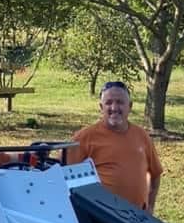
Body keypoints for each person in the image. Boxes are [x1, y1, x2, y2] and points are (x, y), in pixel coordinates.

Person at [67, 80, 163, 213]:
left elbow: (155, 174)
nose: (114, 108)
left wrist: (151, 206)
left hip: (138, 218)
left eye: (120, 102)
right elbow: (63, 176)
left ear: (130, 106)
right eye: (108, 103)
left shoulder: (142, 136)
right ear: (101, 107)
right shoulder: (84, 137)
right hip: (102, 218)